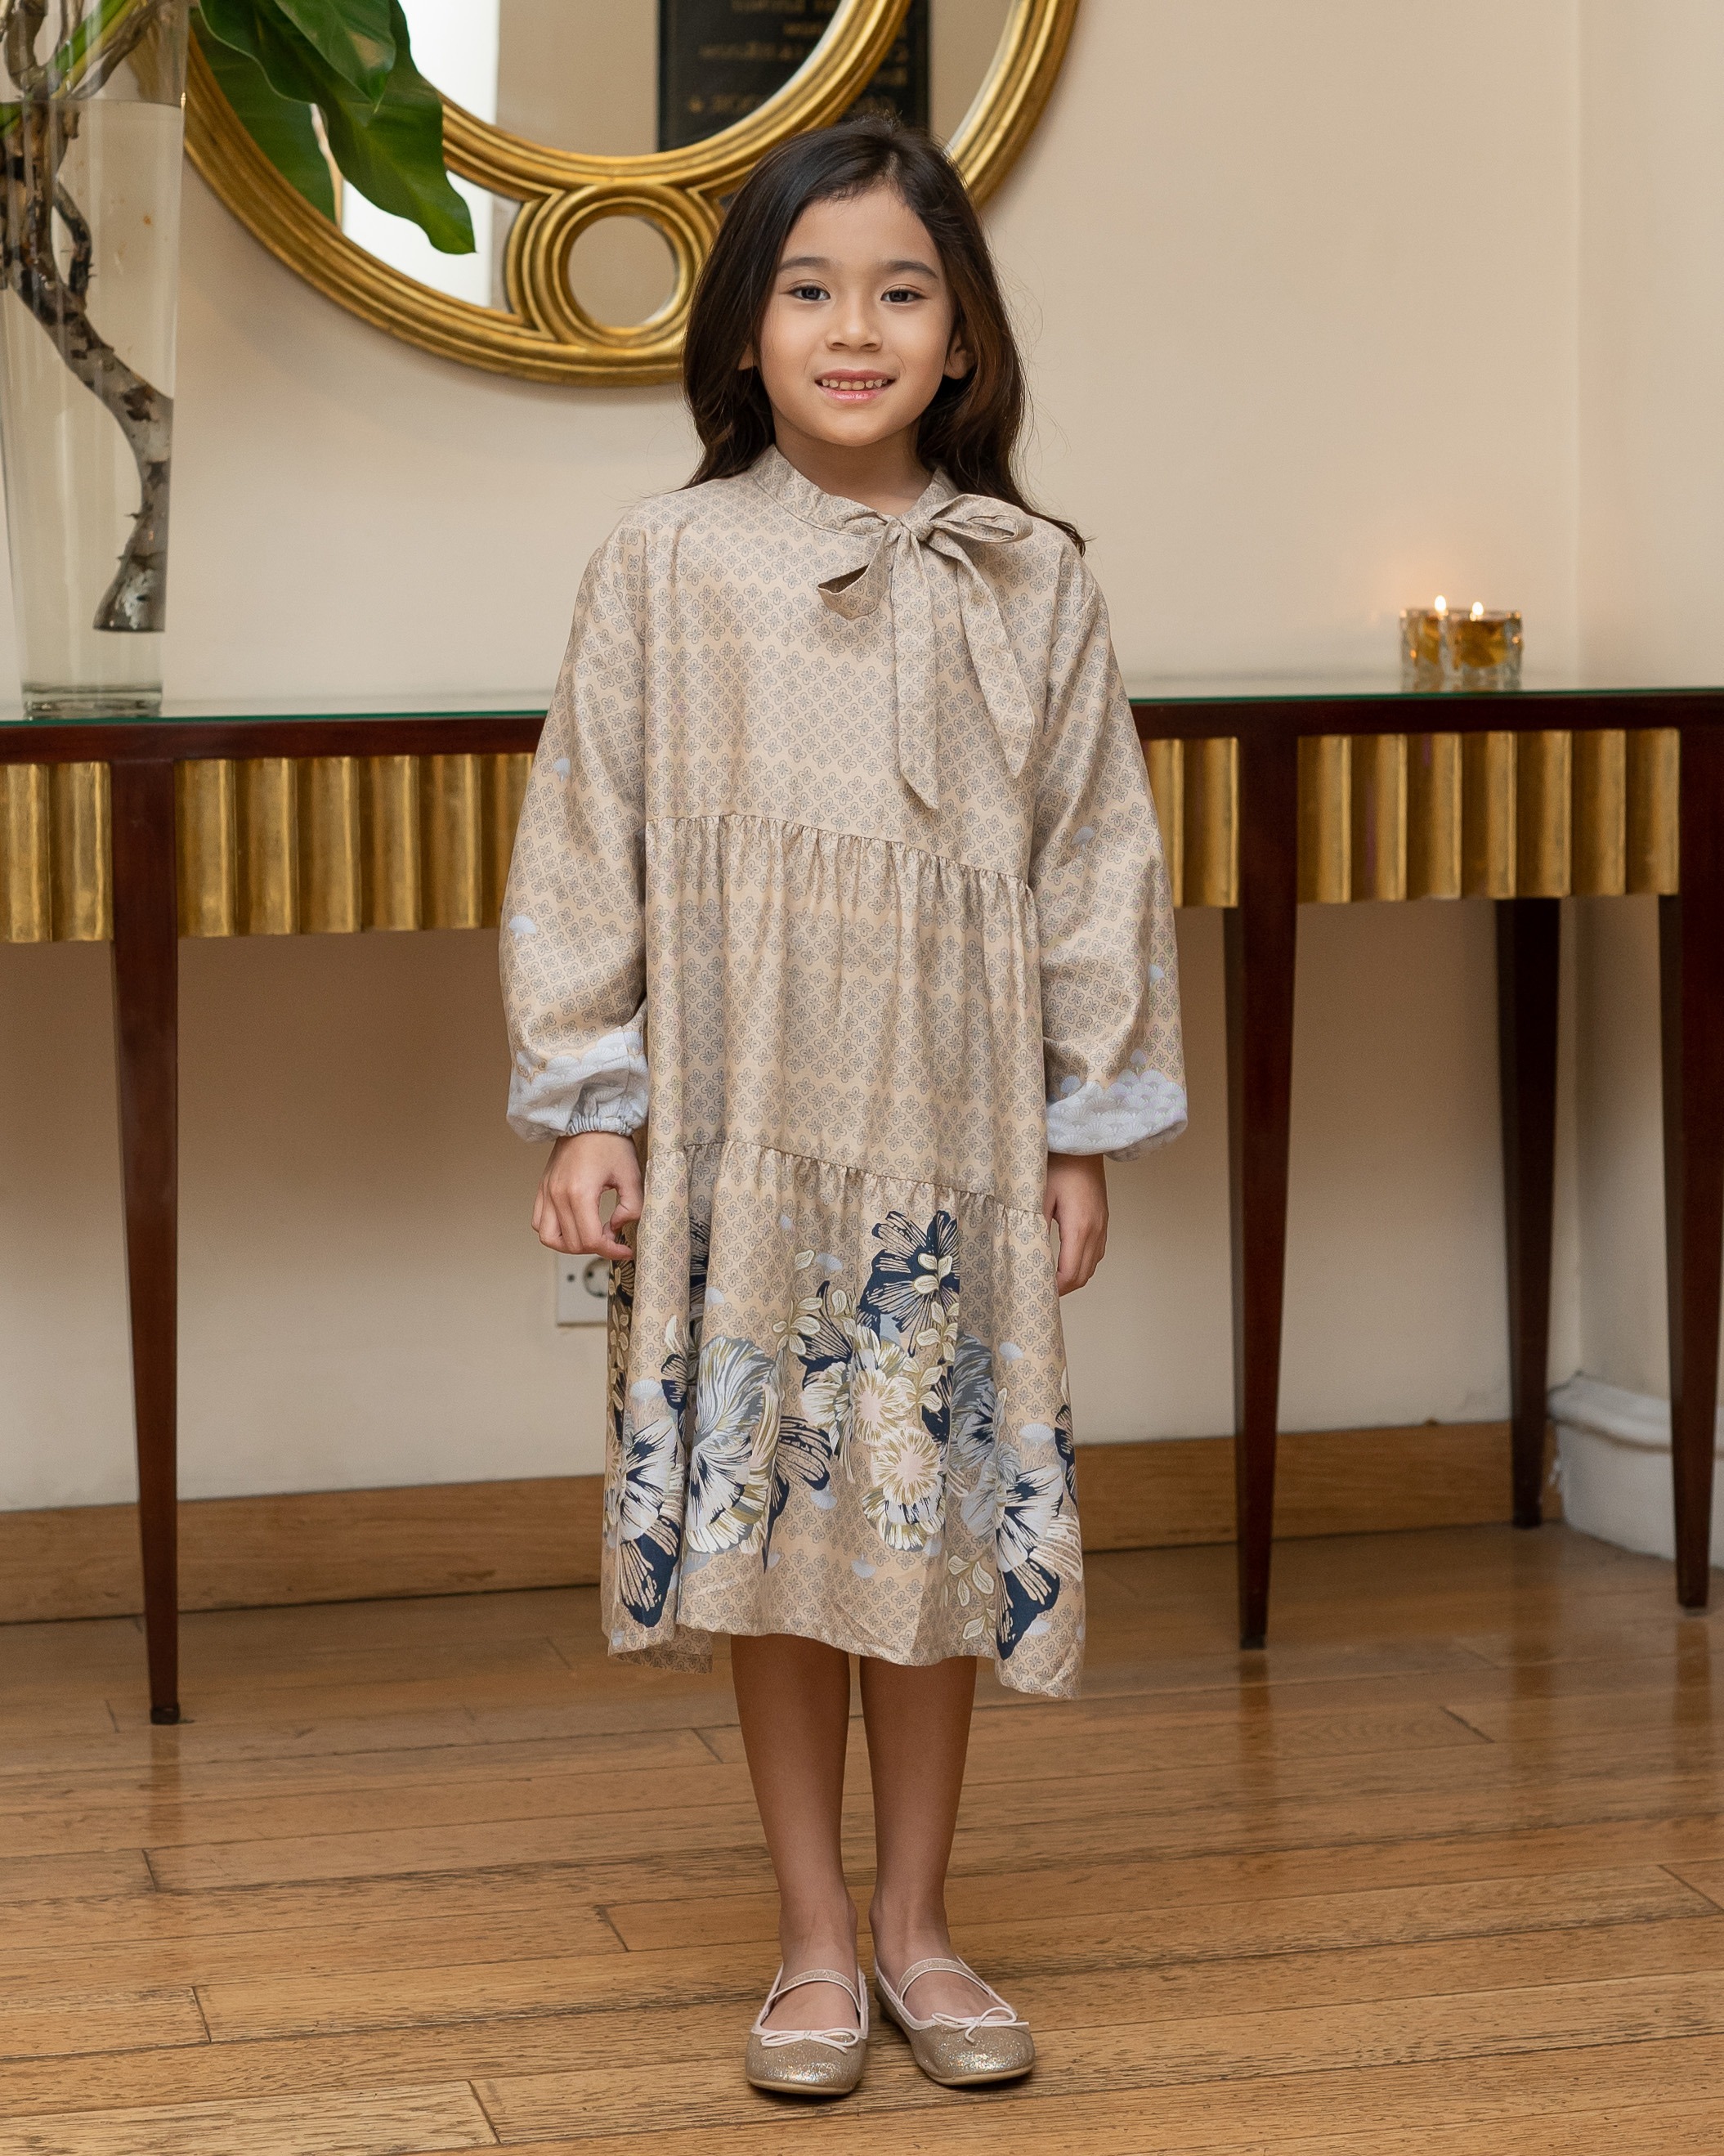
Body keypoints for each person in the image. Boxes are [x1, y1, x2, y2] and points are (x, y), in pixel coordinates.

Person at [501, 116, 1184, 2100]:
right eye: (809, 289)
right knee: (776, 1527)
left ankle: (917, 1923)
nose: (854, 327)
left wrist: (1073, 1122)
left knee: (925, 1525)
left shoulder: (1032, 576)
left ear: (960, 335)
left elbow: (1096, 861)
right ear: (743, 330)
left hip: (949, 1131)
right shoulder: (660, 565)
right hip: (746, 1122)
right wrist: (593, 1100)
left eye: (899, 290)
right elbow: (585, 838)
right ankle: (810, 1933)